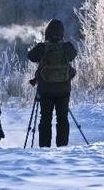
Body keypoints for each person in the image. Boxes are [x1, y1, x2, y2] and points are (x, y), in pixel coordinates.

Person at [27, 19, 78, 147]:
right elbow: (74, 54)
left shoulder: (42, 47)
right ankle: (62, 147)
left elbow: (30, 56)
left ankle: (44, 147)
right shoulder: (67, 47)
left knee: (45, 119)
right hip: (63, 90)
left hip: (45, 90)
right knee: (62, 118)